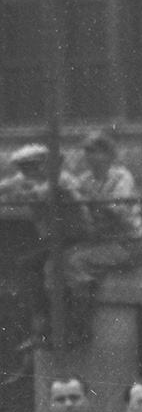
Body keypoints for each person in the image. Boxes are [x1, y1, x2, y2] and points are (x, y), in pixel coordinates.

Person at [0, 142, 91, 344]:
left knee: (54, 271)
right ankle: (41, 325)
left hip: (77, 239)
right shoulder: (28, 180)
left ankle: (70, 328)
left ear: (43, 164)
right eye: (23, 167)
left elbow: (41, 194)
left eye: (32, 166)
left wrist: (19, 195)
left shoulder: (62, 180)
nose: (27, 171)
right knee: (27, 265)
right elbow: (5, 186)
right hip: (56, 241)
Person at [65, 130, 142, 294]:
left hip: (127, 245)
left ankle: (85, 314)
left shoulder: (121, 177)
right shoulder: (86, 179)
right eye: (86, 151)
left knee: (76, 262)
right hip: (101, 243)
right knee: (60, 260)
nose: (87, 155)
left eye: (93, 151)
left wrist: (91, 197)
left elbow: (118, 211)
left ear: (107, 154)